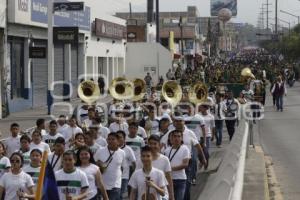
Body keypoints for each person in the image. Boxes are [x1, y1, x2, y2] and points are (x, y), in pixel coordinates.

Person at [160, 113, 206, 200]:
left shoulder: (190, 133)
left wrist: (203, 158)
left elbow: (197, 146)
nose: (178, 123)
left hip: (187, 163)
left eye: (180, 121)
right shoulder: (170, 133)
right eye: (176, 121)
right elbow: (161, 144)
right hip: (173, 162)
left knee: (187, 185)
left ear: (184, 122)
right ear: (173, 123)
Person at [94, 132, 125, 200]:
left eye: (113, 139)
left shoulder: (122, 152)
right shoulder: (100, 150)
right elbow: (94, 163)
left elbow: (122, 167)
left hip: (115, 185)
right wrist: (99, 164)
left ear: (118, 141)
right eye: (109, 139)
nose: (110, 141)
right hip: (101, 184)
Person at [164, 130, 190, 200]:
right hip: (169, 180)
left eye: (179, 136)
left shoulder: (185, 149)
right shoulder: (167, 150)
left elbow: (185, 164)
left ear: (181, 138)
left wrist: (169, 169)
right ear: (171, 138)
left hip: (180, 180)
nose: (177, 138)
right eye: (175, 136)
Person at [117, 130, 136, 199]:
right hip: (114, 177)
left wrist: (133, 175)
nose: (118, 139)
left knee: (122, 194)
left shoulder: (128, 149)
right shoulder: (111, 149)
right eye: (117, 137)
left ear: (124, 139)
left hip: (124, 176)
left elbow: (134, 162)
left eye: (120, 137)